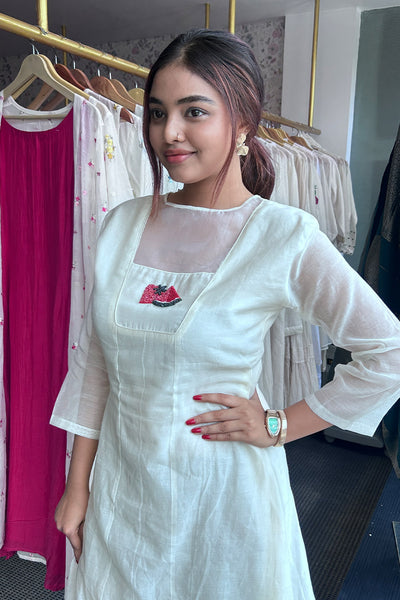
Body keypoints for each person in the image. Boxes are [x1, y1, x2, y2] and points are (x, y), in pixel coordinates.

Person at [51, 29, 400, 600]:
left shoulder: (282, 235)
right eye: (158, 112)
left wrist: (281, 425)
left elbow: (389, 351)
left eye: (194, 112)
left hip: (224, 500)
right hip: (124, 493)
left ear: (242, 124)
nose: (169, 132)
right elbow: (96, 365)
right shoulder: (121, 224)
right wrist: (77, 486)